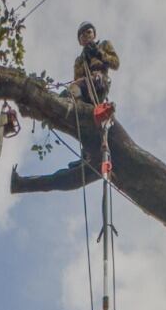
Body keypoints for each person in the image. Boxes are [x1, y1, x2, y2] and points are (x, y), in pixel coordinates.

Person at [10, 21, 121, 196]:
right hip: (85, 86)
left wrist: (98, 53)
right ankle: (86, 152)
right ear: (80, 40)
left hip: (99, 82)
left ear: (94, 34)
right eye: (82, 35)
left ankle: (86, 148)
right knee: (74, 97)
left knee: (77, 94)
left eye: (88, 32)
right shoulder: (79, 60)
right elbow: (77, 78)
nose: (86, 35)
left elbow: (115, 63)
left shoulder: (103, 45)